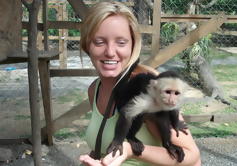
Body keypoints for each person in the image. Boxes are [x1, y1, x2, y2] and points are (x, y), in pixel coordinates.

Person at [79, 1, 201, 166]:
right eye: (99, 42)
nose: (109, 51)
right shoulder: (95, 89)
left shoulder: (151, 88)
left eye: (121, 42)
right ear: (87, 45)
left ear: (133, 46)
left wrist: (131, 150)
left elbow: (192, 157)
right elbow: (101, 146)